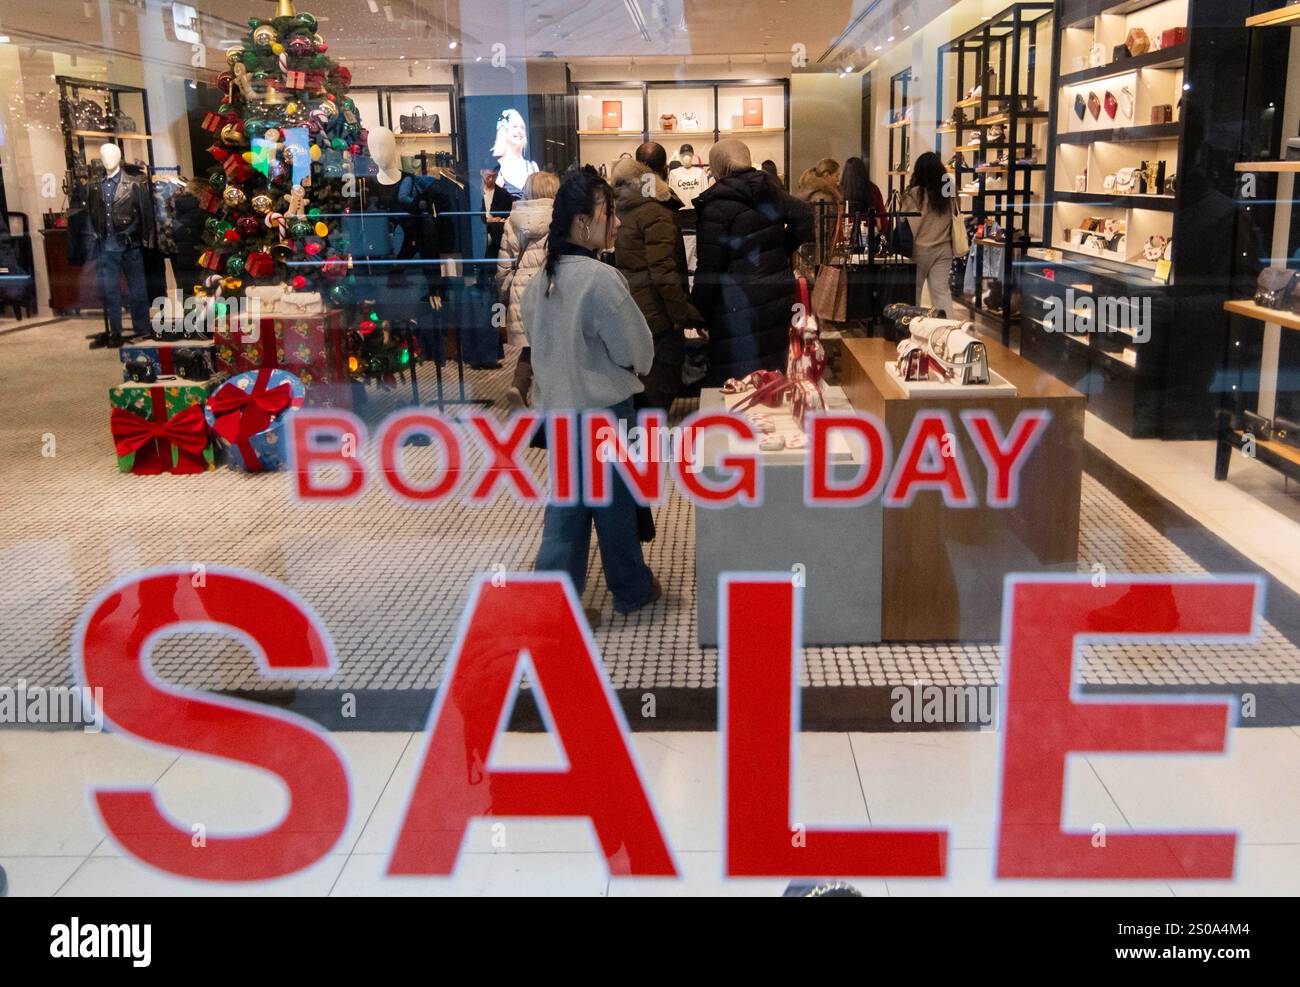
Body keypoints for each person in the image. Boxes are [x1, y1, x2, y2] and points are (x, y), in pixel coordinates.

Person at [524, 167, 662, 622]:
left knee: (569, 504)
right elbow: (639, 352)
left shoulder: (537, 285)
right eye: (610, 215)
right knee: (613, 503)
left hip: (559, 411)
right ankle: (627, 588)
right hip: (604, 411)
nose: (618, 224)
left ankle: (566, 597)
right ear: (584, 222)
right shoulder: (600, 280)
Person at [691, 139, 813, 385]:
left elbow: (710, 268)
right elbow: (805, 215)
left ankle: (739, 423)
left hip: (734, 304)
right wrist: (781, 251)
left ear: (718, 167)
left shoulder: (716, 207)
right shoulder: (771, 192)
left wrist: (698, 314)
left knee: (736, 380)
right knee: (773, 374)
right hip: (775, 295)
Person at [610, 143, 704, 411]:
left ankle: (636, 443)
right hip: (657, 314)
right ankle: (648, 447)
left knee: (641, 386)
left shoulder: (626, 208)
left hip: (633, 307)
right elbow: (663, 271)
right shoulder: (655, 211)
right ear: (665, 169)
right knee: (659, 385)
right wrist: (684, 313)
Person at [496, 170, 560, 408]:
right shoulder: (561, 216)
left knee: (531, 346)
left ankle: (519, 385)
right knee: (553, 347)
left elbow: (504, 262)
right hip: (549, 286)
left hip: (522, 289)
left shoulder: (514, 218)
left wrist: (503, 291)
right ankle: (547, 399)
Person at [901, 151, 961, 316]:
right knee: (941, 293)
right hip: (944, 249)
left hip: (918, 250)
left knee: (914, 293)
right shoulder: (948, 192)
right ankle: (948, 331)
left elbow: (904, 222)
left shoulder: (914, 194)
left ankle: (912, 327)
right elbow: (955, 214)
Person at [490, 108, 539, 197]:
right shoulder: (494, 169)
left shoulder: (533, 168)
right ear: (504, 130)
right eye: (515, 126)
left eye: (522, 127)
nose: (520, 131)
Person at [839, 155, 888, 238]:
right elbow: (881, 212)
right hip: (870, 229)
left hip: (847, 230)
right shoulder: (872, 188)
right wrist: (883, 230)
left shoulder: (841, 190)